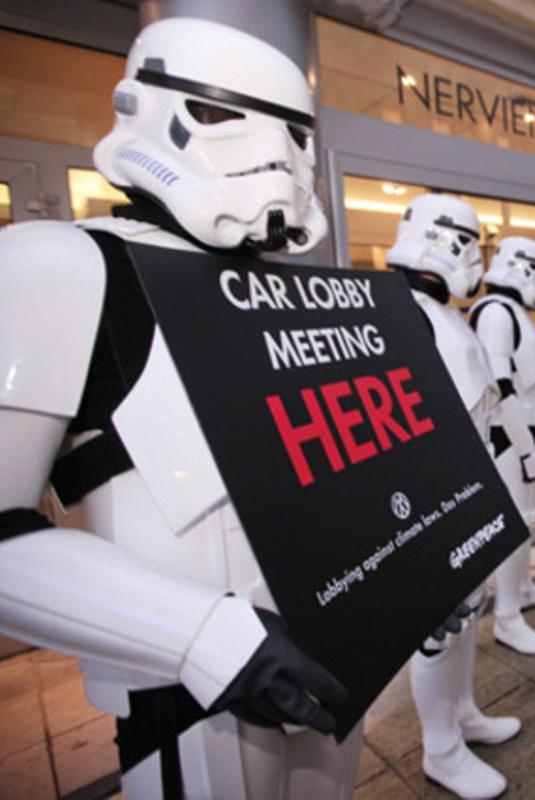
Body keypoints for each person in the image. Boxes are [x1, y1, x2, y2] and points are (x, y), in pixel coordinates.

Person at [0, 18, 359, 798]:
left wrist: (412, 578)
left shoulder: (296, 293)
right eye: (228, 115)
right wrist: (201, 636)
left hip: (329, 641)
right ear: (149, 109)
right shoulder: (60, 267)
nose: (279, 161)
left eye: (297, 136)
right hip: (187, 692)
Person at [386, 195, 524, 798]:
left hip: (463, 487)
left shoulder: (441, 314)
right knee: (437, 631)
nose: (476, 257)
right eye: (468, 243)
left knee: (467, 616)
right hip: (430, 496)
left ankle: (462, 715)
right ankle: (439, 748)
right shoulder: (401, 314)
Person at [468, 237, 535, 656]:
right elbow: (500, 387)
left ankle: (521, 589)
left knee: (526, 518)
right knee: (514, 522)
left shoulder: (510, 312)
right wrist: (524, 446)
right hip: (508, 434)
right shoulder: (495, 313)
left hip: (525, 429)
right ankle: (506, 617)